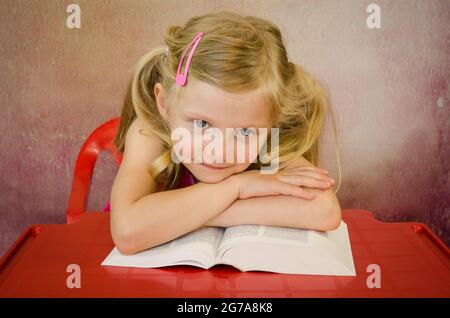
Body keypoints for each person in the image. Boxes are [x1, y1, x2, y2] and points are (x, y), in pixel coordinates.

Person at [108, 11, 342, 255]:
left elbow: (324, 209)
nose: (220, 151)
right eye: (201, 124)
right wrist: (237, 186)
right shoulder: (149, 134)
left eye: (243, 132)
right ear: (164, 104)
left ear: (272, 122)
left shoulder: (267, 143)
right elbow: (127, 231)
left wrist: (187, 217)